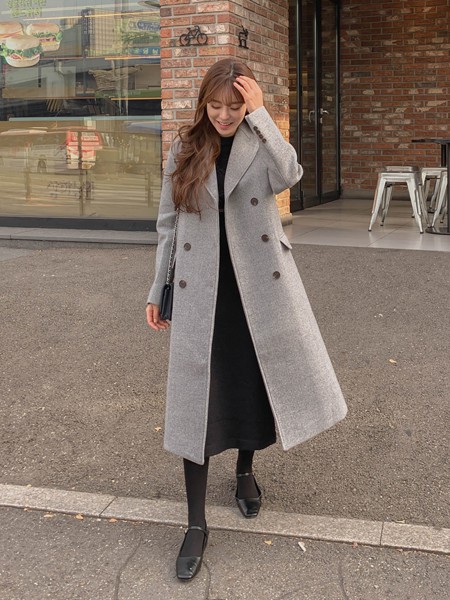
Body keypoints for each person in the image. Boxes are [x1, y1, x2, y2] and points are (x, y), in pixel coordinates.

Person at [146, 58, 347, 581]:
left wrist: (262, 117)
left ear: (248, 104)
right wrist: (158, 288)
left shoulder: (260, 141)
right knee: (197, 401)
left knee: (251, 386)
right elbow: (168, 225)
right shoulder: (185, 149)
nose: (223, 115)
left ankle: (244, 471)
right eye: (215, 106)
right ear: (203, 104)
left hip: (257, 288)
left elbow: (291, 175)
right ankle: (195, 523)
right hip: (200, 291)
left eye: (234, 107)